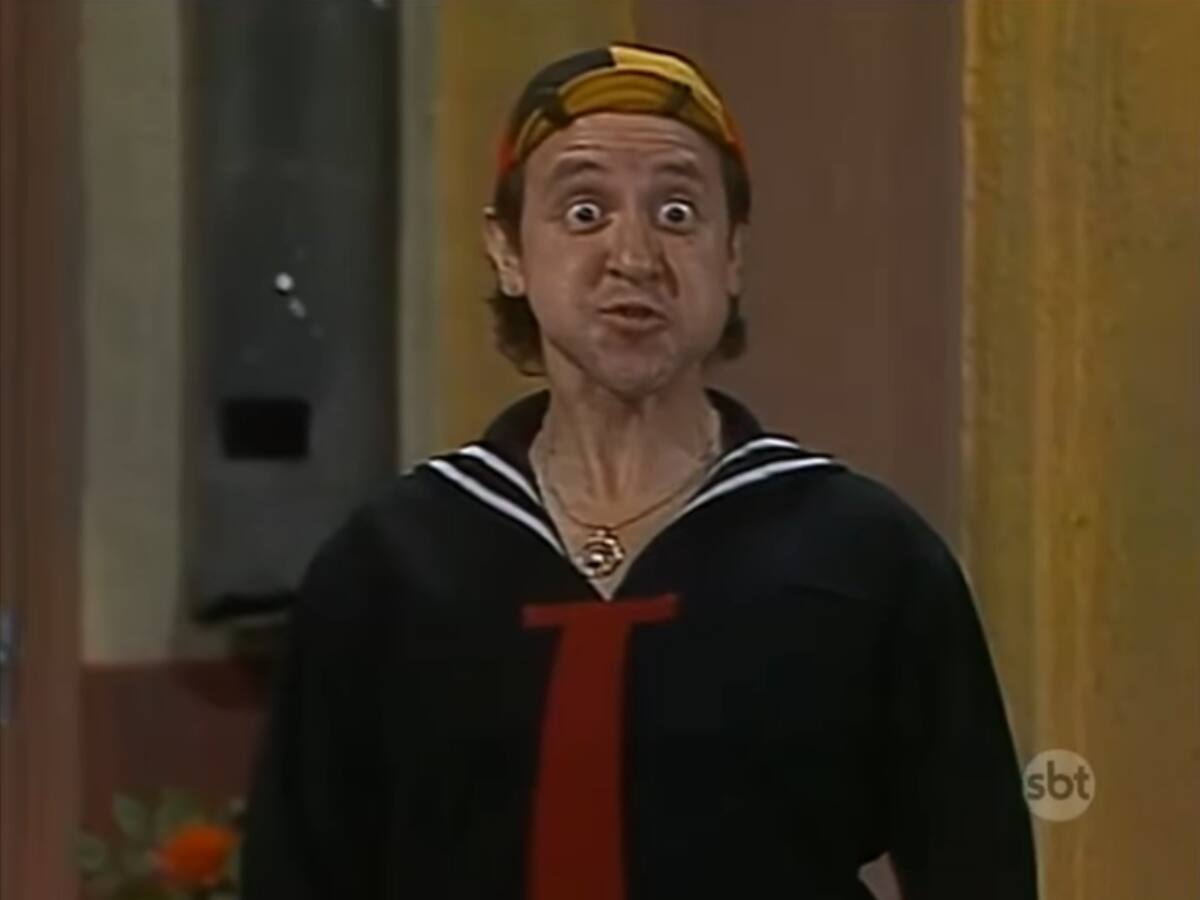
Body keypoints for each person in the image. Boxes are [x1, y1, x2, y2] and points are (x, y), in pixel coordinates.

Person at [242, 43, 1038, 900]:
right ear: (508, 251)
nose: (634, 256)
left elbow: (978, 869)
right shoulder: (391, 566)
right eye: (584, 211)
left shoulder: (862, 557)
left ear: (732, 257)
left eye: (678, 213)